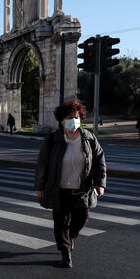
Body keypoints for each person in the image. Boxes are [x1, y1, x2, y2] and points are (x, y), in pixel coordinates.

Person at [35, 100, 106, 268]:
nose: (74, 120)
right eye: (69, 117)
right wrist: (40, 186)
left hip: (82, 189)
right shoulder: (53, 140)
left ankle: (71, 236)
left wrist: (100, 183)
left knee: (82, 217)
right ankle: (66, 255)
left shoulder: (89, 138)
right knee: (61, 222)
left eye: (77, 117)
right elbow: (42, 164)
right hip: (58, 189)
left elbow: (99, 161)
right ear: (61, 120)